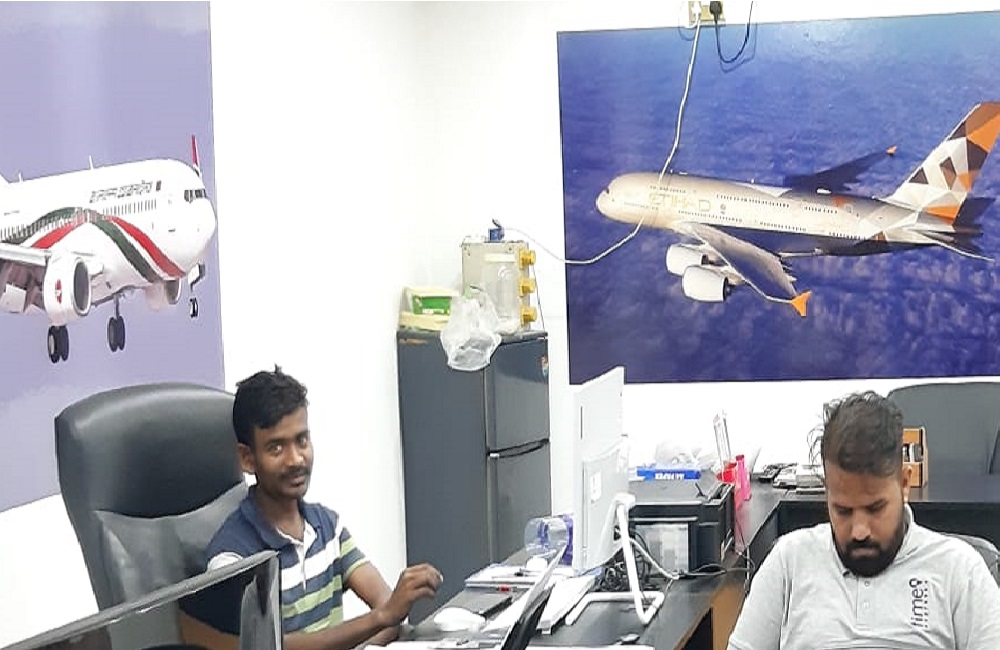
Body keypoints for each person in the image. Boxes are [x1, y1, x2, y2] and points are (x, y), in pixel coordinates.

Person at [727, 391, 1000, 650]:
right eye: (843, 511)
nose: (859, 531)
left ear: (904, 484)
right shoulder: (789, 561)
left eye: (875, 508)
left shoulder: (960, 570)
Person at [205, 367, 442, 650]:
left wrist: (386, 615)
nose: (296, 459)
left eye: (301, 440)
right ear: (247, 458)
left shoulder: (328, 526)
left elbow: (388, 610)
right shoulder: (232, 561)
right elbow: (267, 648)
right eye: (276, 448)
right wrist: (382, 617)